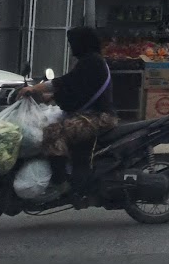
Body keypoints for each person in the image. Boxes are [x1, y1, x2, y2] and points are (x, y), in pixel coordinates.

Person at [19, 26, 118, 191]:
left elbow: (64, 81)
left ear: (83, 43)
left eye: (73, 43)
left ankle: (60, 182)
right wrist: (52, 97)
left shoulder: (92, 61)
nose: (72, 48)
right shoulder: (90, 60)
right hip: (90, 113)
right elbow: (79, 88)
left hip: (99, 117)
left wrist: (34, 88)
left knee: (53, 133)